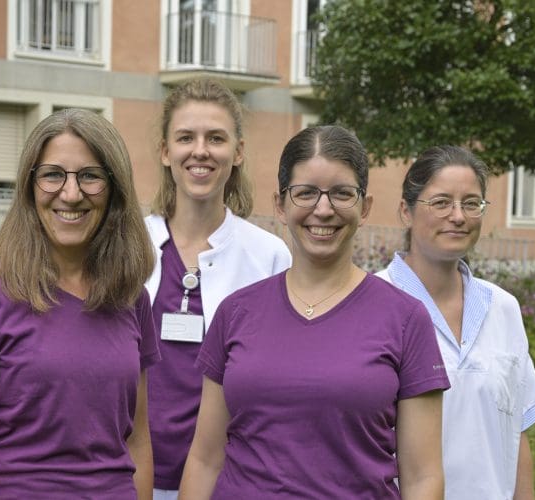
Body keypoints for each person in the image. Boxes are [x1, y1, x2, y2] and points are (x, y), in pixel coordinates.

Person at [180, 125, 450, 499]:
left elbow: (423, 477)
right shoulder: (237, 312)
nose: (323, 210)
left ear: (365, 206)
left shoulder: (405, 318)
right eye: (305, 193)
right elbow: (205, 459)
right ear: (280, 205)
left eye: (342, 194)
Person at [0, 108, 159, 499]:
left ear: (114, 190)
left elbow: (137, 441)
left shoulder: (131, 297)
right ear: (29, 186)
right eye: (53, 174)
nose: (71, 194)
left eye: (89, 176)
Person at [376, 145, 535, 499]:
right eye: (441, 202)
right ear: (405, 211)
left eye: (471, 203)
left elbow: (515, 434)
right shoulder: (372, 303)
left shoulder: (503, 307)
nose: (458, 216)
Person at [143, 79, 290, 500]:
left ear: (238, 152)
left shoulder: (270, 258)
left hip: (231, 483)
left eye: (216, 138)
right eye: (186, 137)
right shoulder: (125, 246)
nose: (201, 151)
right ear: (165, 151)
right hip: (128, 477)